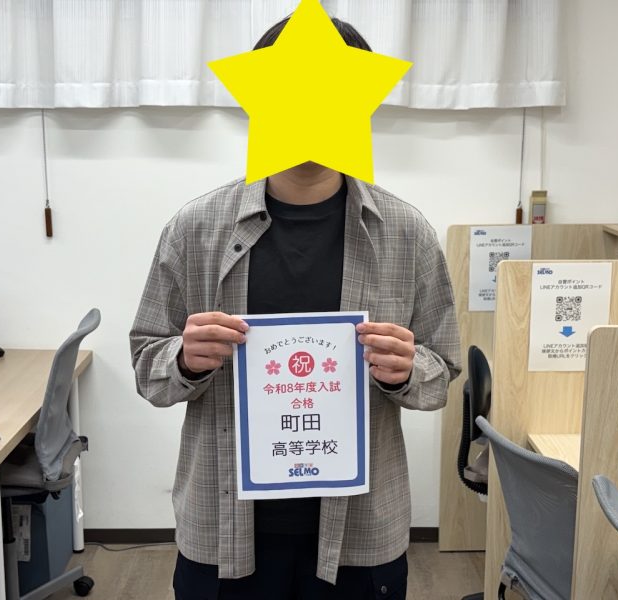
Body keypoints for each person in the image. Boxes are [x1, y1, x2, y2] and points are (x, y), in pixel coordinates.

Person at [130, 16, 461, 600]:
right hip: (224, 527)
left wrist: (407, 370)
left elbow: (442, 372)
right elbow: (146, 365)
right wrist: (183, 359)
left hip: (361, 530)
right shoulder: (195, 229)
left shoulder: (406, 234)